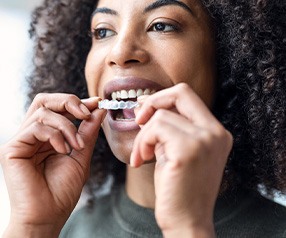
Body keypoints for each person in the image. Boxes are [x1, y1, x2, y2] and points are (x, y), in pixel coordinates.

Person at [1, 0, 286, 237]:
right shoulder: (62, 230)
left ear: (228, 56)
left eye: (161, 25)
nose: (120, 52)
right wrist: (31, 226)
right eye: (102, 32)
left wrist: (188, 228)